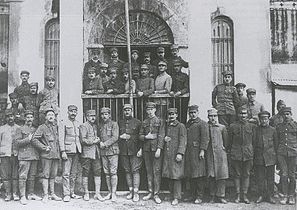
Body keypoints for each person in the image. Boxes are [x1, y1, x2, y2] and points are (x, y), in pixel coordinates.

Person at [31, 107, 61, 202]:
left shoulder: (56, 127)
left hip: (55, 155)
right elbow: (34, 139)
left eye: (52, 115)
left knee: (53, 175)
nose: (51, 116)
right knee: (46, 175)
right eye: (49, 115)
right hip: (46, 156)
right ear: (45, 117)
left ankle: (52, 194)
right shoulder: (42, 127)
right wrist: (44, 147)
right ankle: (45, 195)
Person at [228, 108, 256, 204]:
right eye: (241, 114)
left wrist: (252, 153)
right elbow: (229, 142)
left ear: (247, 115)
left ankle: (244, 195)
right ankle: (238, 195)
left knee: (246, 174)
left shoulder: (252, 126)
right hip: (236, 154)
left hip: (248, 154)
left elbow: (254, 141)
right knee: (237, 175)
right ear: (238, 115)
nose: (243, 116)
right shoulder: (232, 126)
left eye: (244, 114)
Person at [139, 102, 165, 204]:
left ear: (155, 110)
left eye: (151, 109)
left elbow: (161, 135)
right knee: (149, 172)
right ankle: (150, 192)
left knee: (156, 172)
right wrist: (146, 137)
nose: (149, 111)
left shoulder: (159, 121)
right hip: (146, 150)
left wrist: (159, 148)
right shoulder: (144, 122)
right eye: (148, 109)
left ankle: (156, 194)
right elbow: (140, 136)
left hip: (156, 150)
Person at [15, 110, 42, 205]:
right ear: (24, 118)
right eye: (27, 117)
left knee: (32, 176)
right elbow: (17, 142)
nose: (29, 119)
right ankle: (22, 196)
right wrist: (28, 139)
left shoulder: (36, 129)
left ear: (33, 118)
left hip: (34, 155)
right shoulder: (20, 129)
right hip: (24, 156)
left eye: (31, 117)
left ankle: (30, 194)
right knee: (23, 176)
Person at [184, 105, 209, 204]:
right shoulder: (188, 124)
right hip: (189, 153)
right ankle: (192, 195)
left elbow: (205, 138)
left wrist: (202, 150)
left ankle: (199, 196)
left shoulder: (202, 124)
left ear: (198, 112)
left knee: (199, 175)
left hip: (198, 153)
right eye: (191, 113)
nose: (193, 115)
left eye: (194, 112)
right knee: (191, 175)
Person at [162, 108, 187, 206]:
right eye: (169, 114)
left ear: (177, 115)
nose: (171, 116)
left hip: (176, 154)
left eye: (173, 114)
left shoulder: (181, 126)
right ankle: (171, 194)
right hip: (168, 154)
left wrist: (180, 153)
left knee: (176, 176)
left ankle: (176, 197)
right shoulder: (167, 126)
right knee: (169, 175)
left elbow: (183, 140)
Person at [118, 104, 142, 202]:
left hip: (135, 150)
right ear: (123, 111)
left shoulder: (138, 122)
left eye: (129, 110)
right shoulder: (120, 122)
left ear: (132, 110)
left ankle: (136, 193)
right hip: (124, 150)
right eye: (125, 110)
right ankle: (130, 191)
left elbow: (141, 136)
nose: (127, 112)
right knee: (127, 171)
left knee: (135, 171)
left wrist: (140, 148)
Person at [59, 105, 82, 202]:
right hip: (67, 151)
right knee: (66, 174)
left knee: (74, 174)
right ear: (68, 112)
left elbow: (79, 137)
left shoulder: (78, 123)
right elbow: (61, 137)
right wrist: (63, 151)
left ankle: (72, 192)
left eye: (75, 111)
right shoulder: (63, 122)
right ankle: (66, 194)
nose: (73, 113)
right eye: (71, 111)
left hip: (77, 151)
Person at [253, 111, 277, 204]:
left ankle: (270, 196)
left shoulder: (273, 130)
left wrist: (275, 158)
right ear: (259, 120)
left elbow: (276, 144)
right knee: (260, 178)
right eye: (262, 119)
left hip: (270, 157)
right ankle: (261, 195)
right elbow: (254, 144)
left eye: (266, 119)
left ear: (268, 120)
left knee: (270, 178)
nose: (264, 121)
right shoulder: (256, 130)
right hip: (259, 157)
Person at [207, 108, 229, 204]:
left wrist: (224, 148)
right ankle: (212, 196)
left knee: (221, 176)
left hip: (220, 154)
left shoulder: (222, 127)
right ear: (208, 117)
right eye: (211, 116)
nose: (213, 118)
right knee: (211, 175)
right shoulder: (206, 127)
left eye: (215, 116)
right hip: (210, 154)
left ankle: (221, 196)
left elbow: (226, 141)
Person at [80, 109, 102, 201]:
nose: (92, 118)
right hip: (87, 153)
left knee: (98, 172)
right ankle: (86, 193)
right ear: (86, 117)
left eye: (94, 116)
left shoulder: (95, 126)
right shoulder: (83, 126)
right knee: (86, 172)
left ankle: (97, 193)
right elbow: (83, 140)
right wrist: (93, 141)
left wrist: (98, 140)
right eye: (90, 116)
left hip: (96, 153)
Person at [276, 107, 297, 205]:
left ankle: (292, 195)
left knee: (292, 175)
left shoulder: (295, 125)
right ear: (282, 115)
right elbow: (276, 141)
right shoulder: (279, 126)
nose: (286, 116)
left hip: (293, 153)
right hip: (282, 153)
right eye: (284, 114)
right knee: (284, 174)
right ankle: (285, 195)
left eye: (288, 114)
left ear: (291, 114)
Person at [98, 107, 119, 201]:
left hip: (113, 151)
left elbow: (115, 137)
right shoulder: (100, 125)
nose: (104, 116)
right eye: (102, 114)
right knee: (106, 173)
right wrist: (100, 143)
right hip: (103, 153)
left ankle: (114, 193)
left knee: (113, 172)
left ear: (109, 115)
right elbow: (98, 137)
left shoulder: (114, 124)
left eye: (106, 114)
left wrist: (105, 144)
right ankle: (109, 192)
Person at [0, 109, 20, 201]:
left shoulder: (19, 128)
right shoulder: (1, 128)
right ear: (5, 118)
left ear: (14, 116)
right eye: (8, 116)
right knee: (5, 175)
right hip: (4, 155)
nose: (10, 118)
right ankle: (8, 194)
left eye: (11, 116)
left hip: (15, 155)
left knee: (15, 175)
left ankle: (15, 193)